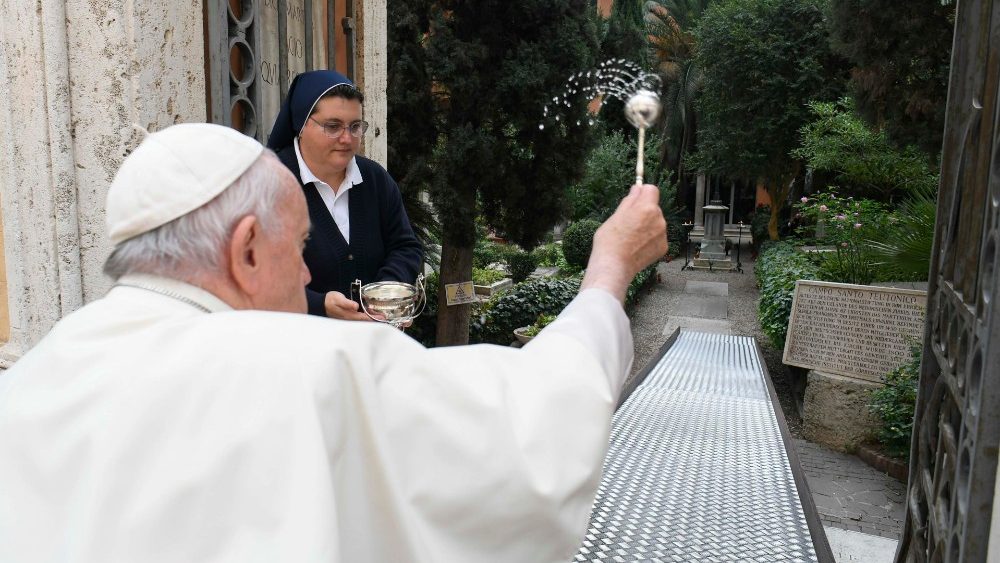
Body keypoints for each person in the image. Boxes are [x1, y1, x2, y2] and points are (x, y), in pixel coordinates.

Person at [0, 124, 667, 563]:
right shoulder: (308, 366)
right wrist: (609, 269)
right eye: (299, 247)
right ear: (247, 250)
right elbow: (531, 430)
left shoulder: (35, 374)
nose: (312, 274)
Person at [267, 70, 423, 320]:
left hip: (373, 340)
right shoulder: (268, 184)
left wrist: (385, 297)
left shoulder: (375, 179)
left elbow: (405, 246)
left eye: (355, 126)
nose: (346, 138)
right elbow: (258, 277)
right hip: (299, 346)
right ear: (301, 125)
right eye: (333, 126)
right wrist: (319, 304)